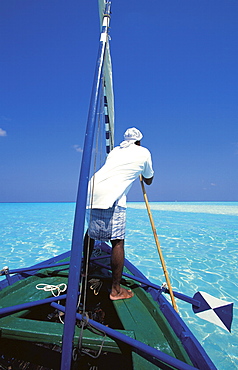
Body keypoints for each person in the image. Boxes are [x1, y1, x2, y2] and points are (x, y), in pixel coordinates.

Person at [83, 127, 154, 300]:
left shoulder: (115, 151)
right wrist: (142, 173)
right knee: (117, 243)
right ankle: (115, 290)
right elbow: (149, 180)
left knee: (91, 234)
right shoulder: (144, 152)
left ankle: (84, 271)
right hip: (112, 196)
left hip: (92, 190)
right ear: (138, 141)